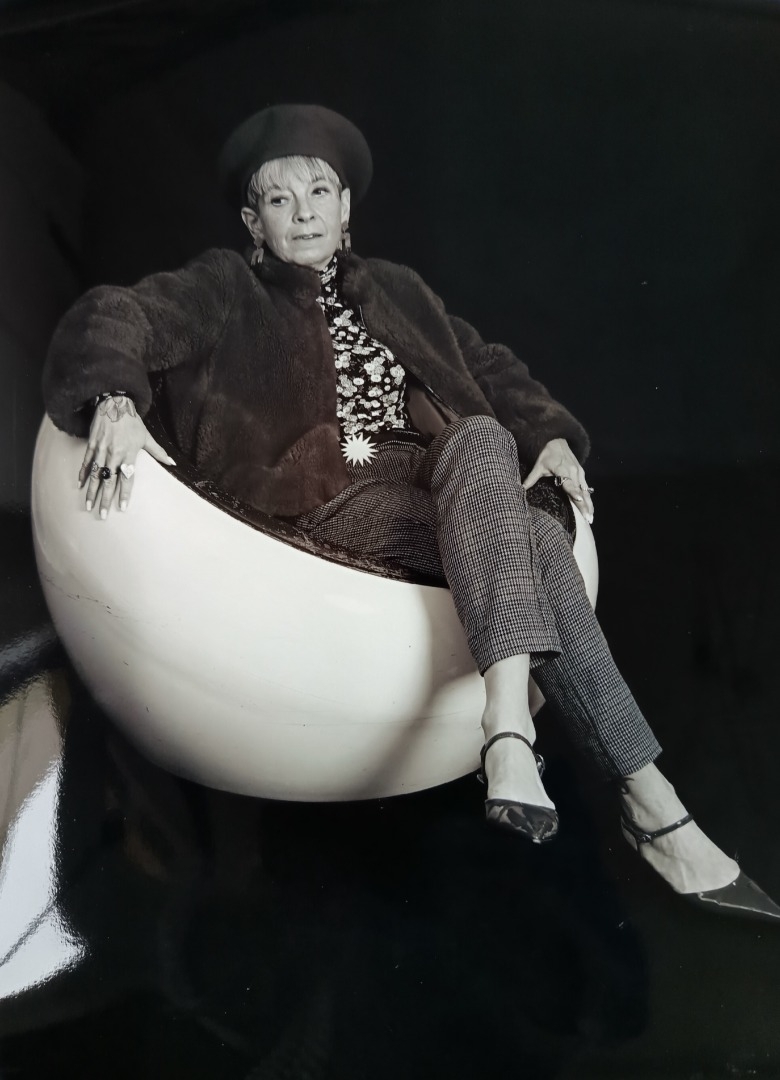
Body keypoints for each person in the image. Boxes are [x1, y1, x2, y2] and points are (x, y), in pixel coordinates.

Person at [43, 104, 779, 923]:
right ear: (254, 223)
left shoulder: (398, 290)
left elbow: (486, 365)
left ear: (346, 210)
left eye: (320, 192)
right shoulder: (224, 286)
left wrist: (552, 435)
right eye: (280, 200)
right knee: (527, 522)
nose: (304, 212)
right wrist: (114, 395)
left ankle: (515, 736)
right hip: (320, 496)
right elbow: (115, 314)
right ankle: (641, 798)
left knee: (489, 449)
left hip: (446, 481)